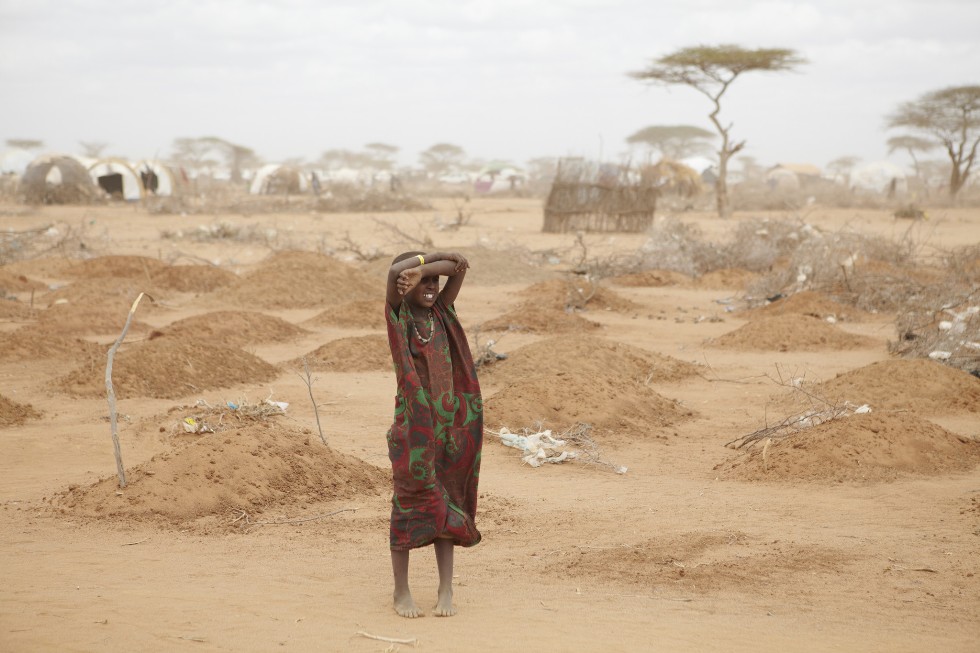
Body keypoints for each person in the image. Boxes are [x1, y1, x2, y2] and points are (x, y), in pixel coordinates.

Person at [384, 250, 483, 618]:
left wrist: (430, 263)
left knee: (449, 504)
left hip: (451, 431)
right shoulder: (399, 315)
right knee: (409, 502)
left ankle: (446, 589)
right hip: (414, 432)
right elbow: (395, 270)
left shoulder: (442, 311)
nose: (429, 287)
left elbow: (459, 267)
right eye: (420, 281)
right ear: (403, 286)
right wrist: (413, 269)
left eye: (433, 282)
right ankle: (401, 592)